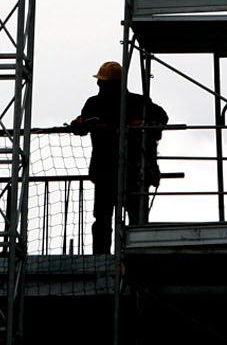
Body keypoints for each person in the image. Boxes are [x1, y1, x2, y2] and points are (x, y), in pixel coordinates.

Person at [71, 61, 168, 254]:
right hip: (120, 171)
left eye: (102, 83)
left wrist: (145, 123)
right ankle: (136, 253)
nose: (99, 86)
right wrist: (79, 124)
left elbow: (160, 120)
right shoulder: (132, 102)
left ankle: (112, 255)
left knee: (114, 218)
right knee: (125, 218)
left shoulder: (105, 103)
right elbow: (81, 126)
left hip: (122, 171)